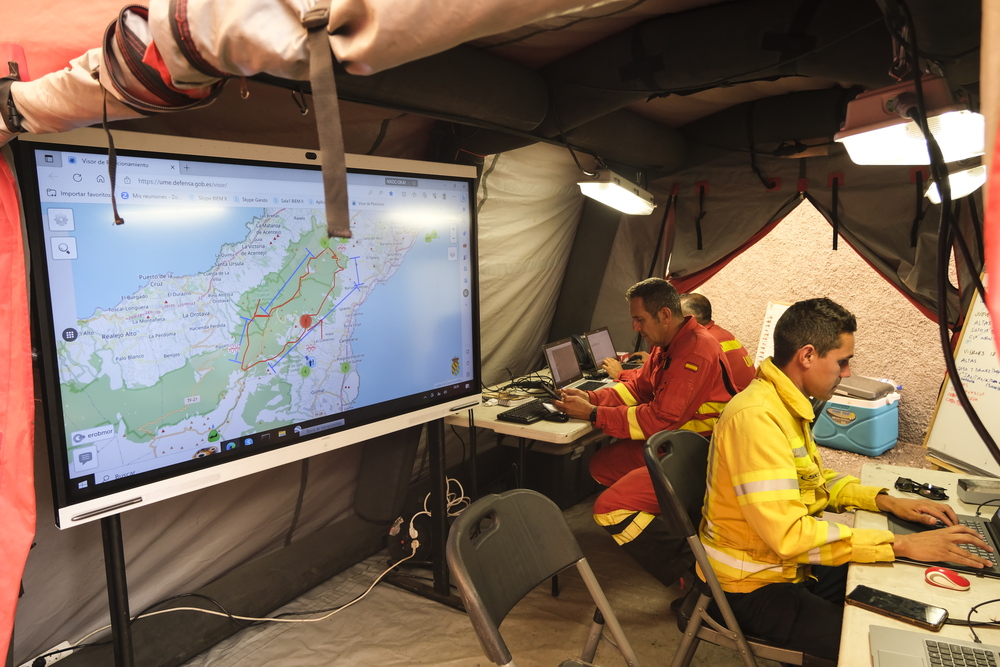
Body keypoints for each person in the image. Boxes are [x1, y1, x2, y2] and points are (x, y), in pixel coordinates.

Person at [699, 297, 992, 662]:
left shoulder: (783, 404)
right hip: (750, 587)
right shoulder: (757, 419)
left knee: (897, 587)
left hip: (784, 566)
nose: (848, 372)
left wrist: (886, 501)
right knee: (870, 645)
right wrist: (899, 545)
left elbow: (817, 480)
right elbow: (790, 536)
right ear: (807, 356)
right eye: (843, 361)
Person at [553, 278, 737, 586]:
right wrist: (591, 398)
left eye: (640, 319)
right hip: (673, 444)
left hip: (700, 455)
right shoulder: (666, 345)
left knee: (609, 508)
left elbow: (659, 420)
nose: (636, 327)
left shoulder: (695, 351)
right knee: (601, 465)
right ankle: (673, 521)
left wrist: (594, 414)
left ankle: (692, 572)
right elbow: (637, 389)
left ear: (665, 315)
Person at [599, 292, 753, 390]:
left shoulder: (697, 346)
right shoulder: (721, 334)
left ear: (691, 318)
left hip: (707, 426)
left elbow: (664, 386)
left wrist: (621, 373)